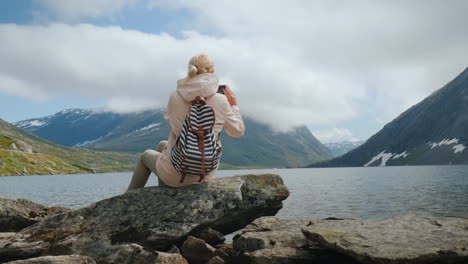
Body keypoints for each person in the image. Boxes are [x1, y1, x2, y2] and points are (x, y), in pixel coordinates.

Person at [127, 54, 245, 190]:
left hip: (176, 172)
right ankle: (166, 192)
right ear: (212, 71)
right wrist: (233, 106)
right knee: (162, 146)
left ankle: (127, 198)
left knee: (146, 155)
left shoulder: (175, 96)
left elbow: (168, 118)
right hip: (205, 173)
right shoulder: (220, 100)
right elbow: (237, 131)